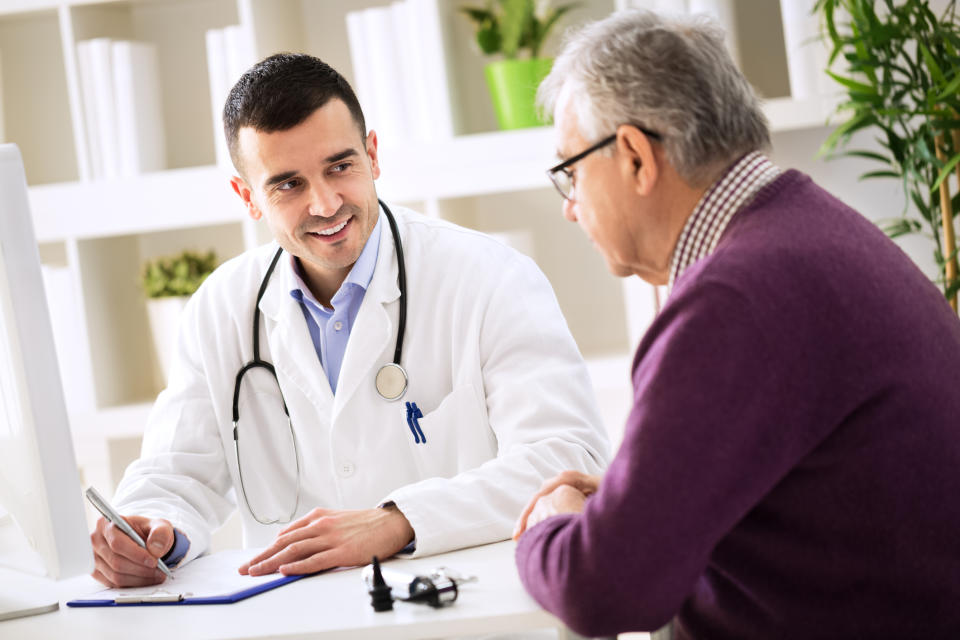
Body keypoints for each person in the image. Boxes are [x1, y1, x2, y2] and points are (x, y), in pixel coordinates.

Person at [512, 9, 960, 640]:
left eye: (572, 171)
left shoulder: (734, 297)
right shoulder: (810, 232)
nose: (569, 207)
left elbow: (603, 590)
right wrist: (629, 502)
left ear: (636, 157)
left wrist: (551, 527)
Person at [89, 53, 609, 588]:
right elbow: (176, 472)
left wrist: (399, 521)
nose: (326, 203)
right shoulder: (221, 307)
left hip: (467, 609)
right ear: (247, 197)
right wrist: (151, 530)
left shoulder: (489, 278)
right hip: (303, 619)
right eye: (288, 184)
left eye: (340, 166)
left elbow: (564, 458)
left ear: (373, 155)